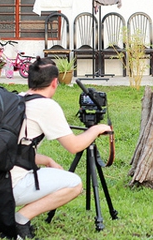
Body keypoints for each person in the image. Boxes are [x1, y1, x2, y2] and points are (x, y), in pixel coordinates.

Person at [11, 56, 111, 239]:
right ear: (55, 83)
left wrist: (47, 160)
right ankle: (20, 218)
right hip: (11, 187)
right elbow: (74, 146)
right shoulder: (46, 105)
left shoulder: (14, 100)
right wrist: (96, 129)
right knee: (74, 184)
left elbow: (15, 149)